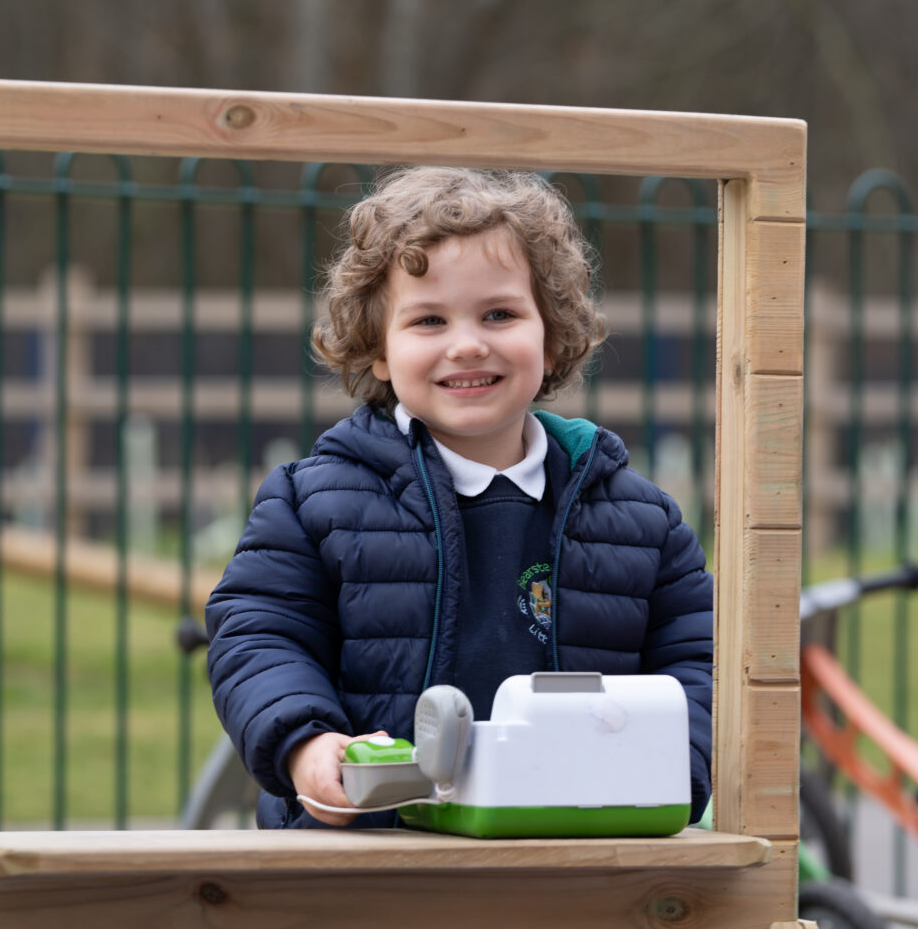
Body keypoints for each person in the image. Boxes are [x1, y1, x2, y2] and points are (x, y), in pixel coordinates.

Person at [206, 166, 713, 829]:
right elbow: (259, 635)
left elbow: (699, 663)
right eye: (429, 320)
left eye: (499, 313)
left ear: (552, 332)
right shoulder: (314, 501)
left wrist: (679, 764)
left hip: (574, 859)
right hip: (366, 861)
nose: (468, 343)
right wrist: (305, 742)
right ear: (379, 350)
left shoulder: (642, 521)